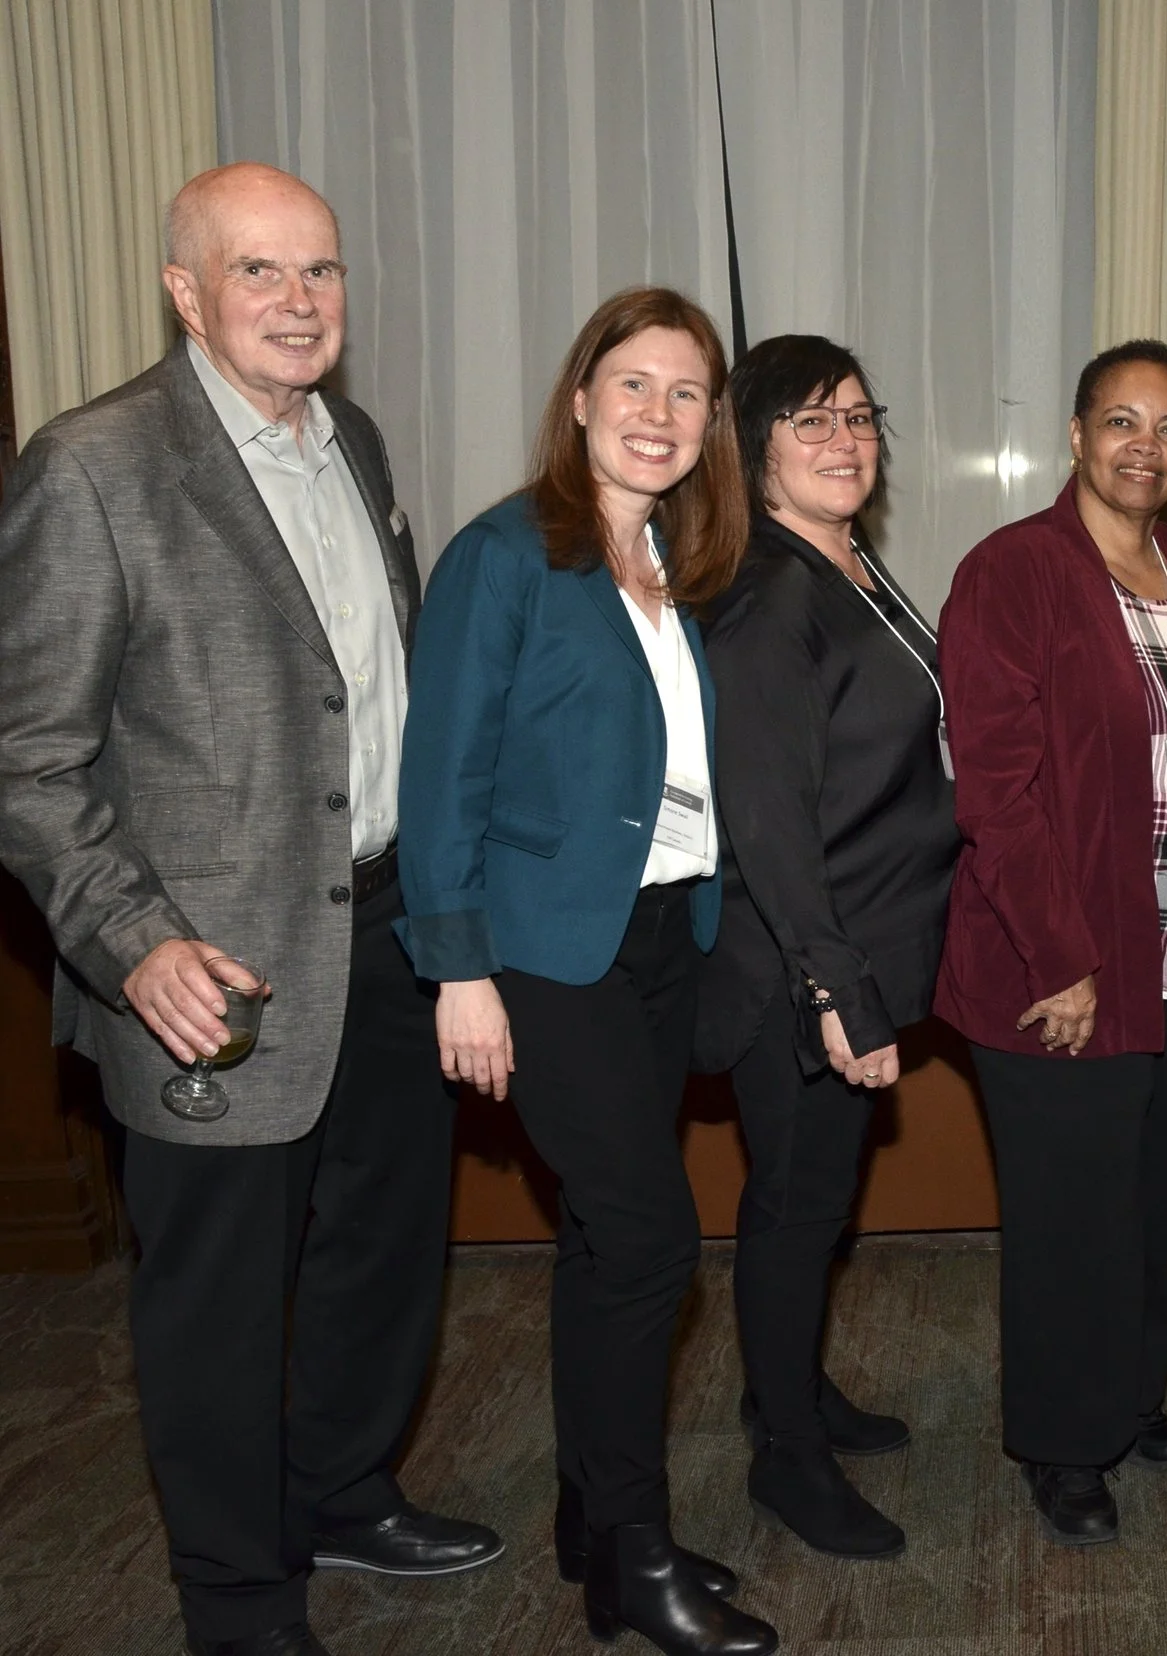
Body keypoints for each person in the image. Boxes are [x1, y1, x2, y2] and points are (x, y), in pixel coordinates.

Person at [0, 162, 499, 1656]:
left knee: (383, 1248)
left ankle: (341, 1492)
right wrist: (134, 940)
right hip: (206, 968)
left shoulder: (353, 437)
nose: (299, 301)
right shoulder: (94, 466)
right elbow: (26, 755)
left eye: (321, 271)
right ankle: (235, 1595)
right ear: (184, 291)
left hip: (388, 928)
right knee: (216, 1304)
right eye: (259, 271)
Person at [397, 287, 776, 1655]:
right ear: (579, 398)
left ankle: (589, 1521)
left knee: (603, 1243)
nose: (659, 414)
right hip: (545, 956)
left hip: (659, 940)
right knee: (654, 1240)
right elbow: (441, 774)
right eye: (634, 385)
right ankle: (638, 1557)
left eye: (687, 394)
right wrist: (460, 970)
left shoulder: (668, 557)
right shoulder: (506, 554)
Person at [935, 339, 1167, 1546]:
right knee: (1069, 1217)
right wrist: (1060, 956)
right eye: (1121, 421)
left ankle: (1126, 1392)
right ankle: (1063, 1441)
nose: (1145, 446)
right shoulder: (1013, 572)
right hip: (1067, 964)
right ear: (1076, 436)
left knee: (1147, 1202)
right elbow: (998, 790)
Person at [696, 335, 954, 1559]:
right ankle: (784, 1459)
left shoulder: (846, 560)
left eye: (858, 416)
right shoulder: (768, 592)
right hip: (802, 964)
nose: (844, 440)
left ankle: (786, 1389)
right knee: (795, 1209)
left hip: (861, 942)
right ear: (754, 449)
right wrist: (834, 985)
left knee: (821, 1199)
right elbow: (767, 817)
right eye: (811, 422)